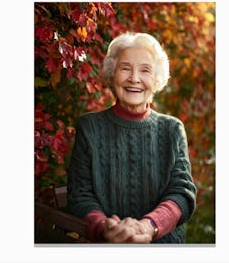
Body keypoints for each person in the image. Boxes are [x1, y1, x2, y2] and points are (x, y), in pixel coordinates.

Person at [67, 32, 197, 243]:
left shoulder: (172, 129)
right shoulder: (89, 127)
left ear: (156, 80)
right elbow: (80, 194)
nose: (134, 78)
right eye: (125, 68)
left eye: (145, 70)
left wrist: (150, 226)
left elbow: (181, 193)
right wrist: (105, 228)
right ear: (112, 74)